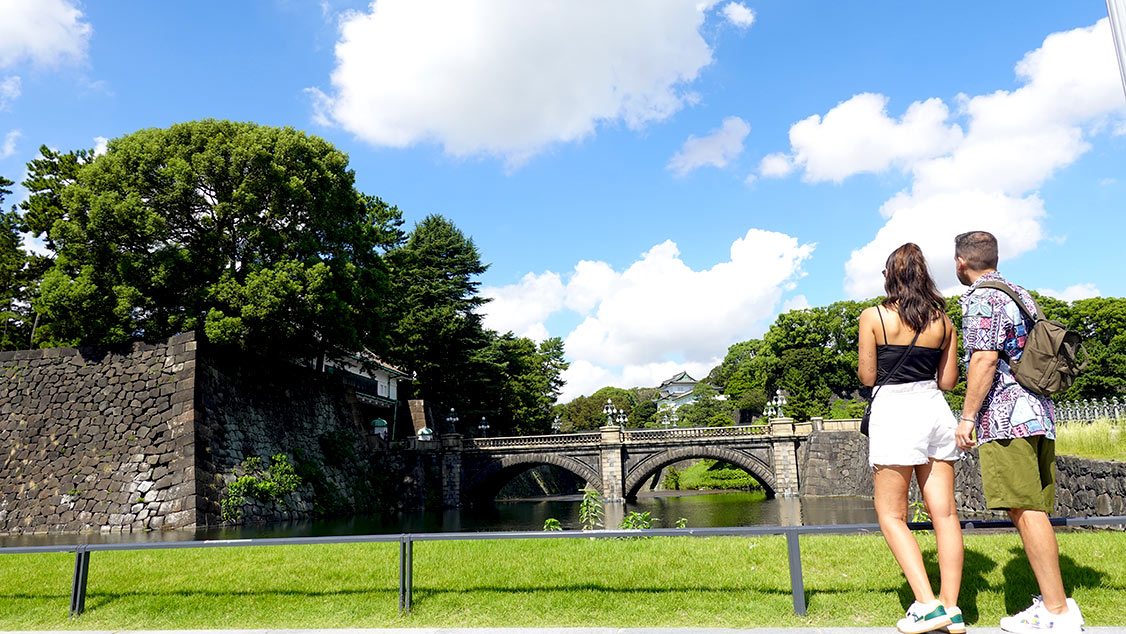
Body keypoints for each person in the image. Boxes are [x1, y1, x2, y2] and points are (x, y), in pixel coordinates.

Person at [953, 231, 1084, 633]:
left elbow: (985, 360)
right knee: (1031, 509)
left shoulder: (982, 298)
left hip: (1009, 417)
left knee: (1025, 510)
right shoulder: (1017, 292)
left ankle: (1057, 611)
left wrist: (968, 416)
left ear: (960, 262)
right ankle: (1054, 605)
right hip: (1038, 412)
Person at [858, 243, 965, 634]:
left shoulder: (874, 317)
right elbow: (949, 382)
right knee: (946, 514)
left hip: (896, 411)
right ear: (925, 276)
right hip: (934, 409)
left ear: (890, 276)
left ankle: (925, 602)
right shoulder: (945, 322)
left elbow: (868, 377)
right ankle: (951, 608)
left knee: (891, 515)